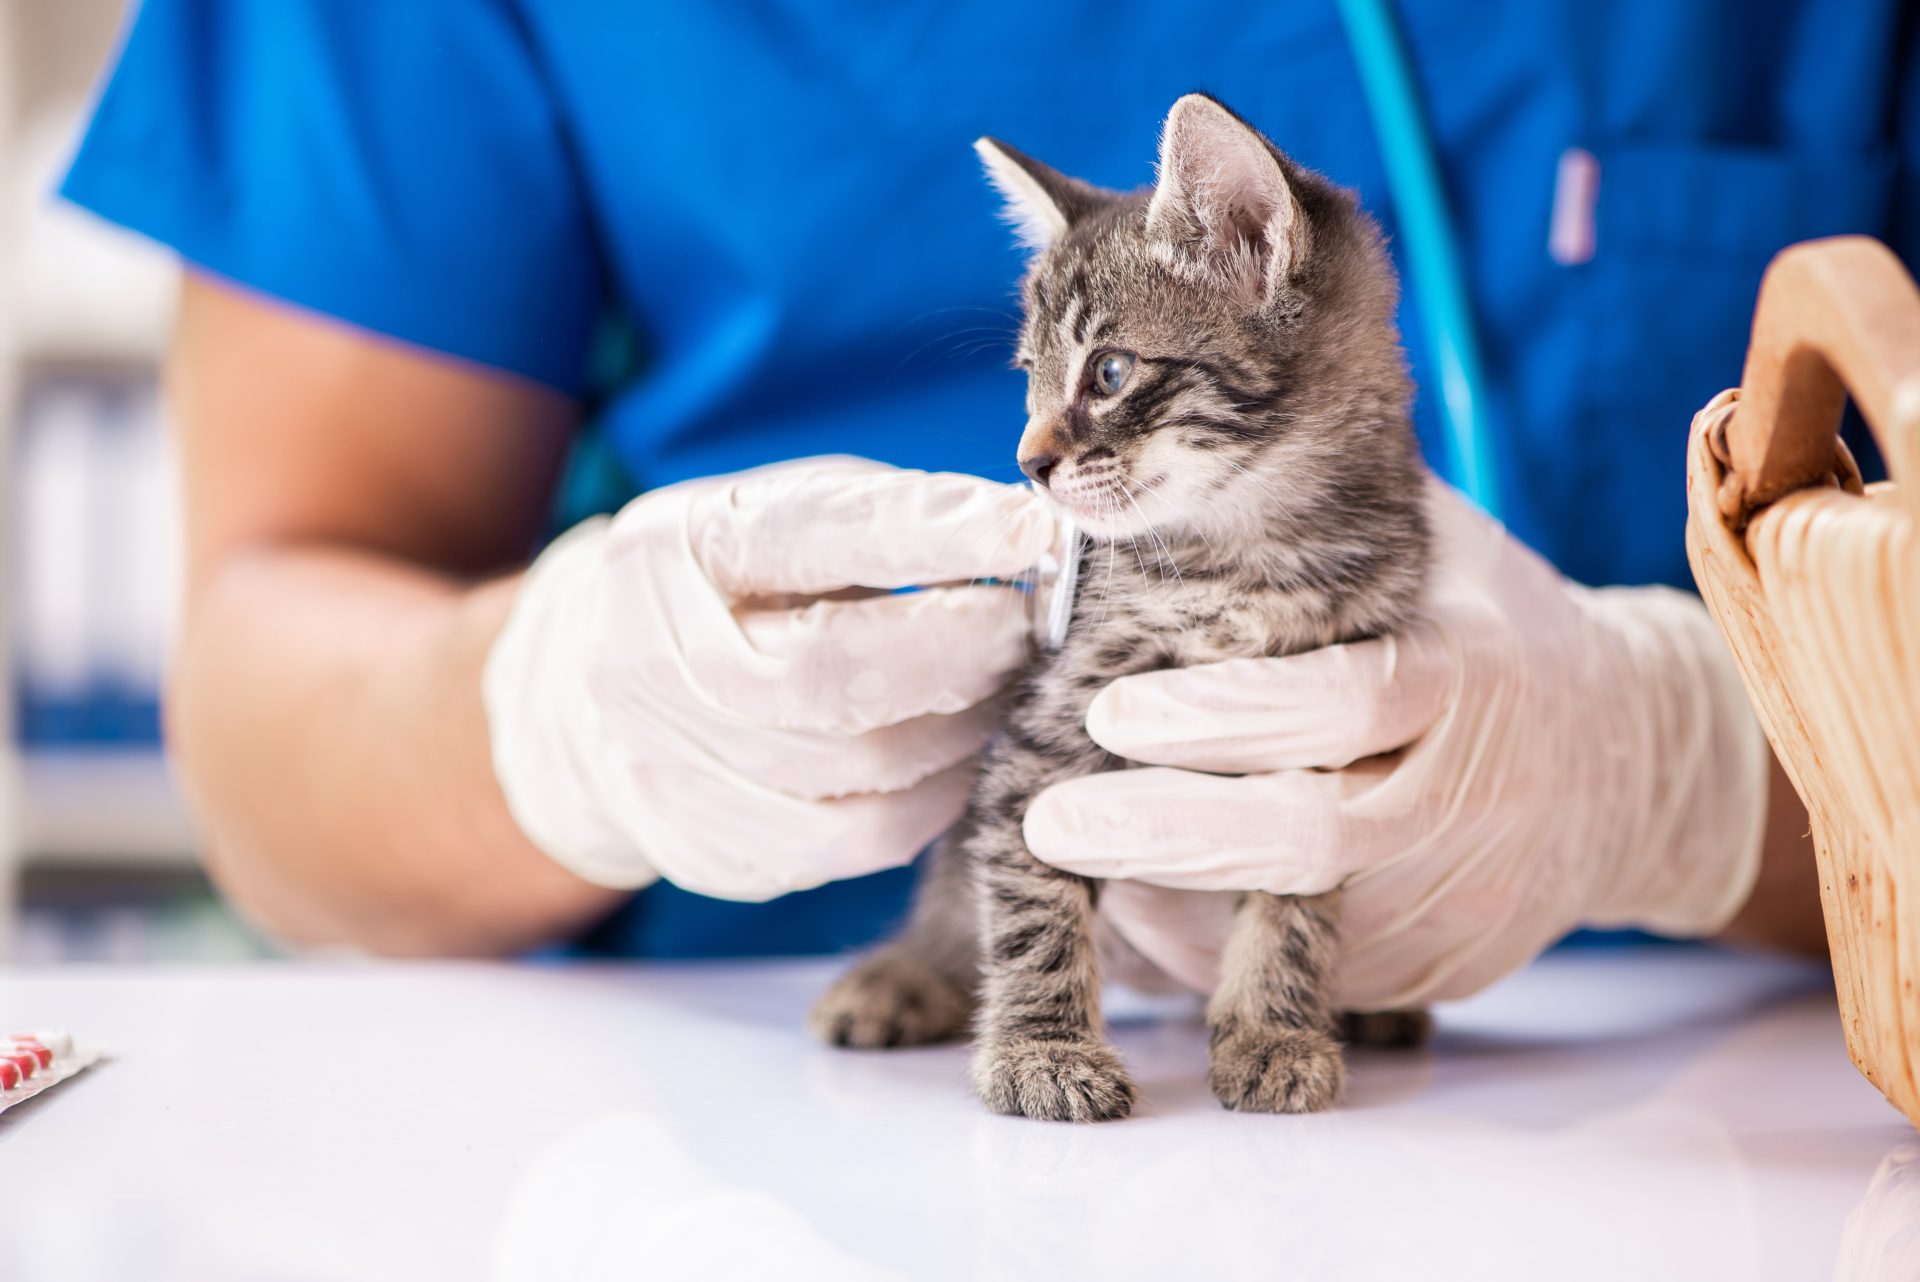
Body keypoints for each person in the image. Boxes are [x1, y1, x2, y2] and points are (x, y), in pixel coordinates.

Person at [61, 1, 1906, 999]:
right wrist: (544, 718)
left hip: (1704, 1123)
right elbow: (267, 689)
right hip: (768, 1132)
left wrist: (1700, 776)